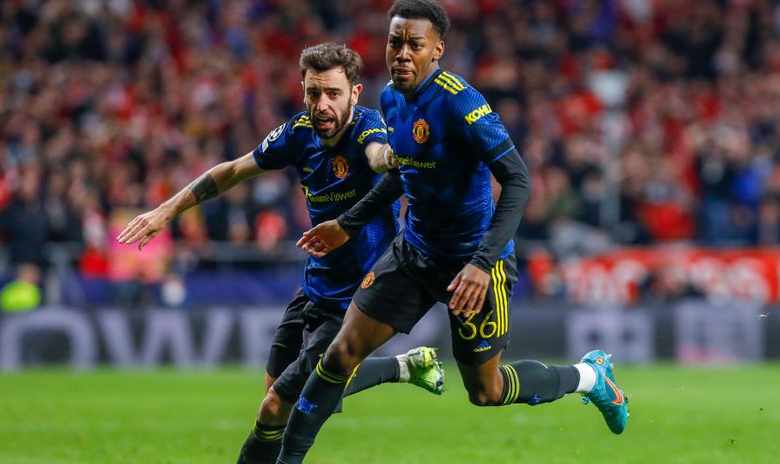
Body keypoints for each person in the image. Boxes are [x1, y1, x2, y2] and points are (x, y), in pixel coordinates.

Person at [277, 2, 629, 462]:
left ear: (436, 50)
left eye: (414, 45)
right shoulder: (389, 99)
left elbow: (519, 180)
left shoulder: (460, 102)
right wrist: (348, 223)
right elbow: (403, 174)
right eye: (394, 42)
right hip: (415, 253)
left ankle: (589, 377)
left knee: (487, 390)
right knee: (340, 353)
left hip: (475, 262)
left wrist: (483, 264)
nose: (401, 53)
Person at [115, 42, 445, 464]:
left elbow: (378, 156)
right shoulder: (298, 133)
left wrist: (391, 157)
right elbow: (233, 170)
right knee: (276, 396)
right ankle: (403, 367)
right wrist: (166, 210)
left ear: (355, 94)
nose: (321, 105)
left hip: (356, 301)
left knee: (275, 409)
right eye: (313, 93)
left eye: (333, 94)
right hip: (314, 286)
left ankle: (396, 368)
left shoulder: (369, 129)